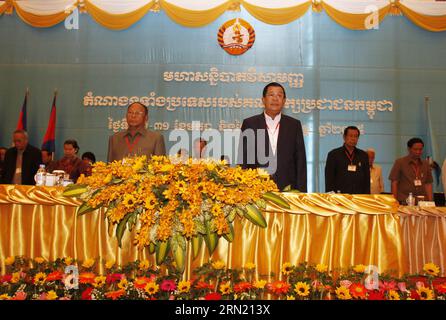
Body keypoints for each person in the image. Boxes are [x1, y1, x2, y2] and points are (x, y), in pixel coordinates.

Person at [239, 82, 307, 191]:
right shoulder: (250, 123)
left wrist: (301, 193)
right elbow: (243, 160)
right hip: (256, 189)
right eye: (271, 95)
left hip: (287, 189)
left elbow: (300, 161)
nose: (275, 99)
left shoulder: (294, 125)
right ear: (263, 100)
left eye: (279, 96)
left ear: (284, 101)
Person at [325, 126, 370, 194]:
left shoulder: (363, 155)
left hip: (358, 197)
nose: (353, 138)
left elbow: (367, 180)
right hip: (339, 197)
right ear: (344, 137)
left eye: (356, 136)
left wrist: (366, 197)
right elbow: (329, 179)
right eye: (350, 136)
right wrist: (331, 197)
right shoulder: (333, 155)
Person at [389, 137, 433, 203]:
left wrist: (430, 201)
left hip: (422, 202)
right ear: (409, 149)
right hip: (404, 201)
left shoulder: (425, 164)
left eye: (420, 149)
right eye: (415, 149)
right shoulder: (400, 162)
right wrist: (394, 201)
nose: (418, 152)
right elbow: (394, 183)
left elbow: (428, 184)